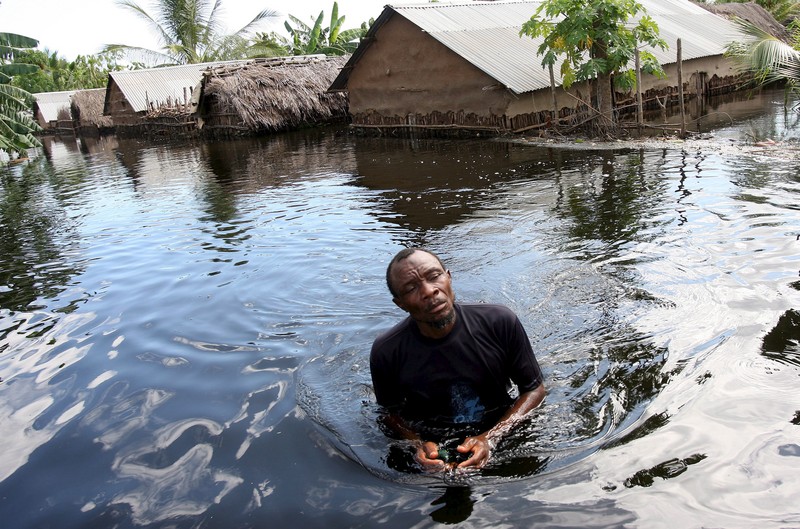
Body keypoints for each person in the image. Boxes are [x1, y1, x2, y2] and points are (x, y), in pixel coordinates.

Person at [370, 247, 546, 471]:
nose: (429, 291)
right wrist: (416, 444)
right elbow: (388, 413)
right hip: (432, 433)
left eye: (434, 276)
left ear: (449, 277)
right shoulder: (386, 351)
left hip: (497, 421)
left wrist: (491, 437)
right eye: (411, 288)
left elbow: (534, 389)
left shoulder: (499, 322)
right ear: (400, 303)